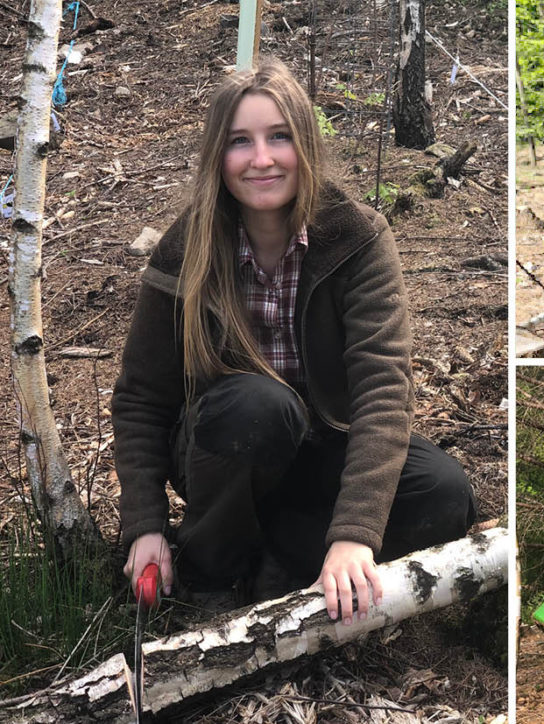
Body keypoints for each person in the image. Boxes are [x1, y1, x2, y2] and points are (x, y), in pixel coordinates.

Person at [113, 58, 476, 624]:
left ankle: (282, 560)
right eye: (240, 141)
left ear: (304, 143)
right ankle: (211, 571)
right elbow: (140, 397)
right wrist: (145, 524)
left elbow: (383, 391)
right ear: (218, 155)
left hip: (322, 446)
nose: (262, 159)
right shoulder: (185, 249)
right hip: (224, 450)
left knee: (444, 493)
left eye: (278, 136)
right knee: (260, 404)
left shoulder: (355, 237)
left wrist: (355, 534)